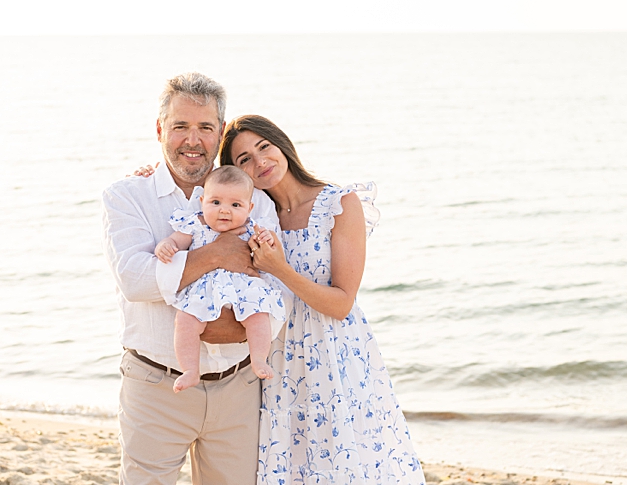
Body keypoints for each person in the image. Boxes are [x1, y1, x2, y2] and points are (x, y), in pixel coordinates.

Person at [222, 114, 425, 483]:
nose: (259, 162)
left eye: (263, 147)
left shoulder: (339, 204)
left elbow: (342, 303)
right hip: (279, 360)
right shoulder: (251, 215)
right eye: (244, 160)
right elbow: (197, 203)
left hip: (335, 355)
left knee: (347, 463)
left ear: (281, 144)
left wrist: (279, 268)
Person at [102, 73, 280, 485]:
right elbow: (135, 279)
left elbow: (278, 289)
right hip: (155, 385)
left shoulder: (255, 201)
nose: (192, 140)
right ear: (161, 129)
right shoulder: (127, 196)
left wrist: (235, 331)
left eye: (204, 127)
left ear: (220, 133)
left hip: (239, 385)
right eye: (180, 126)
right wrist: (216, 254)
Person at [153, 165, 286, 387]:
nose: (224, 210)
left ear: (249, 208)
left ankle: (259, 359)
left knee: (258, 315)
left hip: (244, 287)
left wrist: (266, 240)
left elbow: (269, 254)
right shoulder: (194, 224)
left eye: (235, 205)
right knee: (185, 321)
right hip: (204, 288)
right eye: (216, 203)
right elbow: (177, 241)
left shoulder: (252, 228)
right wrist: (166, 245)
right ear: (202, 201)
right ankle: (190, 369)